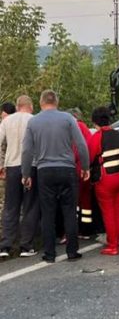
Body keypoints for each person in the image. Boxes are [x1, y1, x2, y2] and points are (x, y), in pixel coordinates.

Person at [21, 90, 90, 263]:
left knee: (48, 213)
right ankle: (72, 252)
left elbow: (27, 150)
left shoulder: (33, 121)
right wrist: (85, 166)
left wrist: (26, 173)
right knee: (69, 211)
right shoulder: (68, 119)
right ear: (56, 102)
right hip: (67, 169)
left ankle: (50, 254)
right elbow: (81, 144)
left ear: (41, 102)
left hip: (44, 171)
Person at [0, 96, 39, 258]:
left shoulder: (6, 122)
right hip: (31, 165)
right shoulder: (34, 120)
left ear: (17, 106)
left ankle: (5, 245)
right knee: (30, 206)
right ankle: (26, 245)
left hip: (11, 166)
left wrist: (1, 164)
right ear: (30, 106)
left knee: (10, 206)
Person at [88, 107, 119, 256]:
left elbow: (90, 157)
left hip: (106, 178)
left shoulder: (98, 136)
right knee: (117, 210)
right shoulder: (118, 134)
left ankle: (112, 246)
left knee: (108, 212)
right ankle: (116, 241)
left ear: (94, 122)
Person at [68, 108, 93, 238]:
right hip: (86, 168)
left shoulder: (75, 127)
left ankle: (74, 230)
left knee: (74, 202)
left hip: (76, 169)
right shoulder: (86, 128)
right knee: (86, 201)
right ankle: (86, 230)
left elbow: (76, 149)